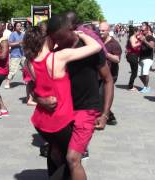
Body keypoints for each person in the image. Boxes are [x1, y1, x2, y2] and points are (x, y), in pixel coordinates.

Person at [45, 14, 113, 180]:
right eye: (54, 39)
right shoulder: (56, 50)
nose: (58, 43)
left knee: (73, 158)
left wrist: (104, 114)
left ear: (71, 30)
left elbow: (108, 80)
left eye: (60, 38)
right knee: (55, 153)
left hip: (86, 109)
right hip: (63, 110)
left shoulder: (89, 48)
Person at [99, 21, 122, 125]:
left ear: (108, 31)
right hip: (99, 74)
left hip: (111, 75)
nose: (101, 32)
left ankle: (109, 116)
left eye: (103, 30)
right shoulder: (98, 41)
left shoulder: (114, 44)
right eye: (99, 30)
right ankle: (108, 115)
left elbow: (117, 59)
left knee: (102, 95)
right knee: (99, 96)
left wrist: (106, 54)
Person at [5, 22, 25, 89]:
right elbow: (9, 44)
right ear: (15, 27)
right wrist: (18, 43)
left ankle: (27, 80)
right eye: (18, 26)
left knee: (26, 68)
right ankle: (7, 82)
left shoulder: (23, 34)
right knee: (12, 70)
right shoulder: (13, 34)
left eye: (20, 26)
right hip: (15, 55)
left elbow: (25, 43)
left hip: (22, 54)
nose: (19, 27)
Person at [137, 22, 155, 93]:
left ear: (147, 30)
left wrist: (144, 40)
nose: (142, 32)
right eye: (141, 30)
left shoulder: (151, 37)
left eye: (143, 30)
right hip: (141, 57)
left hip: (148, 57)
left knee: (145, 72)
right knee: (139, 75)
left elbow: (152, 46)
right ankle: (146, 86)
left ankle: (146, 87)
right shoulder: (142, 37)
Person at [126, 26, 141, 91]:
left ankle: (131, 84)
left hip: (133, 55)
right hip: (132, 56)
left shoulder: (134, 37)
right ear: (135, 32)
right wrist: (140, 43)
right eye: (138, 31)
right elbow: (133, 46)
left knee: (134, 71)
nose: (139, 32)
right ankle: (130, 86)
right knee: (134, 72)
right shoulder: (132, 37)